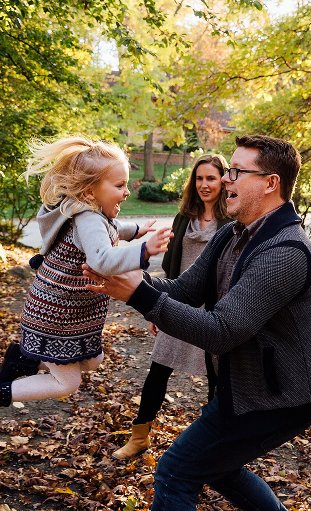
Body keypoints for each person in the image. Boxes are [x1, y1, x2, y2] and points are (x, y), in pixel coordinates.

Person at [84, 135, 311, 510]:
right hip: (245, 385)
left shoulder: (286, 252)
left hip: (282, 396)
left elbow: (222, 332)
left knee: (176, 472)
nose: (227, 178)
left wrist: (137, 294)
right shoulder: (232, 234)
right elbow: (184, 290)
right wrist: (128, 273)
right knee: (218, 467)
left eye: (237, 171)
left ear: (270, 183)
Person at [0, 136, 172, 427]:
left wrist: (136, 229)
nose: (127, 192)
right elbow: (101, 258)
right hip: (56, 315)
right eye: (119, 185)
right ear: (89, 191)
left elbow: (111, 228)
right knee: (67, 383)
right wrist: (144, 250)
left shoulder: (89, 212)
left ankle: (23, 360)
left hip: (66, 312)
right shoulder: (87, 219)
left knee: (93, 359)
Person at [113, 153, 230, 460]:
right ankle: (139, 437)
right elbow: (170, 267)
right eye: (199, 178)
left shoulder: (231, 221)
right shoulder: (183, 218)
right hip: (177, 301)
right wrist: (157, 309)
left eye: (211, 178)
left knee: (217, 379)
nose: (204, 184)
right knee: (158, 370)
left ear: (223, 181)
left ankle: (214, 447)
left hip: (213, 311)